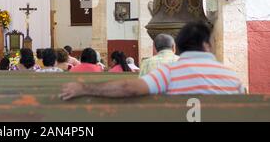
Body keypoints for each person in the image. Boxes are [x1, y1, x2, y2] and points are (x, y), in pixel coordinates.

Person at [60, 22, 245, 100]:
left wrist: (85, 88)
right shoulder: (232, 79)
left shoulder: (169, 73)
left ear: (178, 47)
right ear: (207, 45)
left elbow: (128, 88)